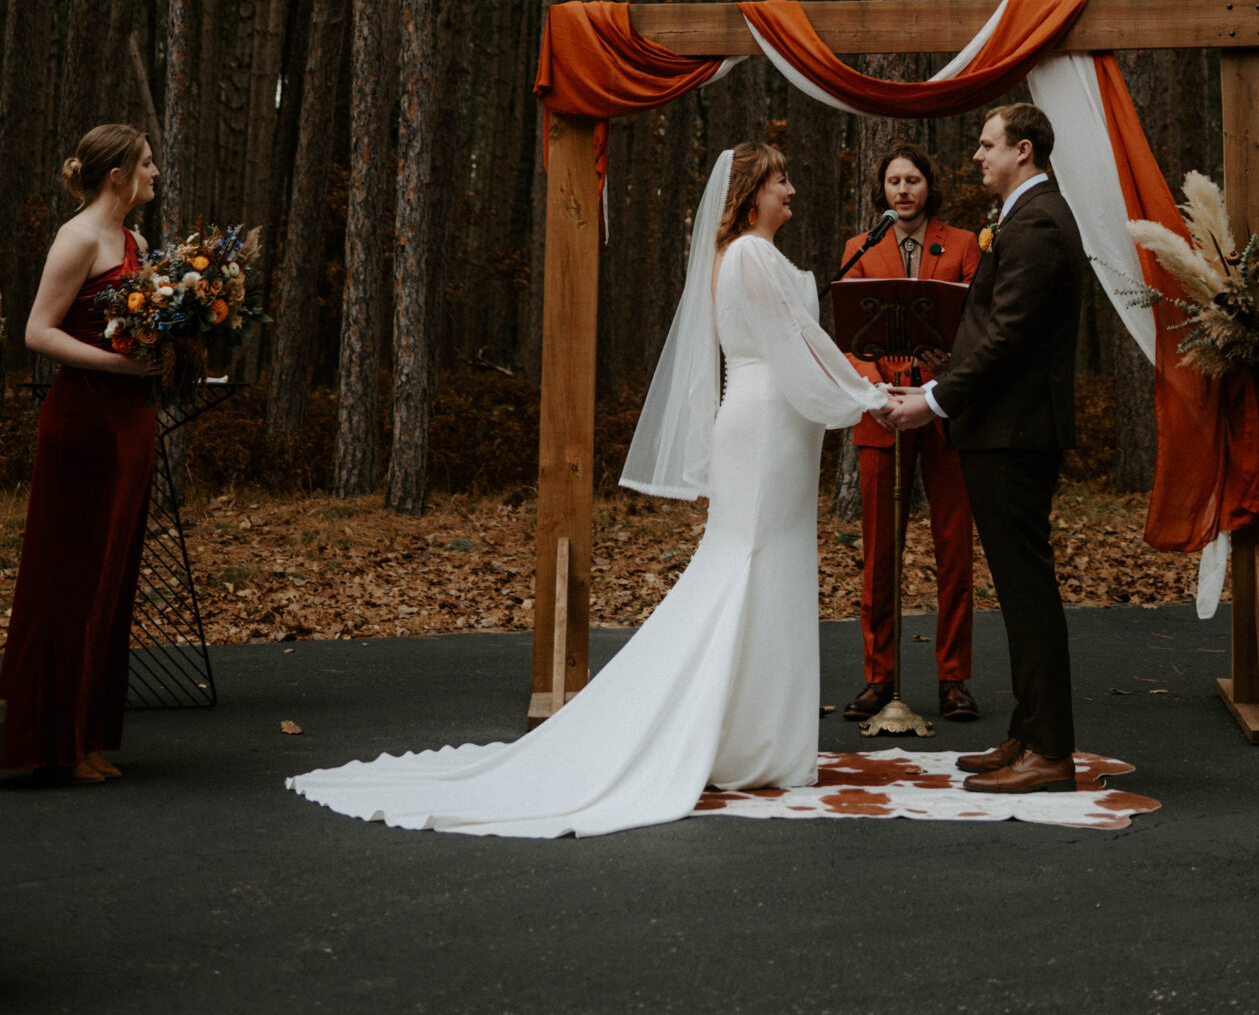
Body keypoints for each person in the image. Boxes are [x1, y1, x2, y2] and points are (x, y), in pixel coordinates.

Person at [289, 142, 887, 839]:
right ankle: (732, 735)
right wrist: (866, 397)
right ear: (751, 193)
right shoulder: (750, 256)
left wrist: (857, 390)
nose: (792, 189)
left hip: (774, 426)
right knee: (746, 568)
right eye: (781, 179)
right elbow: (793, 347)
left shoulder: (750, 256)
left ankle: (751, 734)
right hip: (763, 426)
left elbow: (800, 336)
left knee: (764, 571)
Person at [883, 100, 1084, 796]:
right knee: (1019, 590)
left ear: (1023, 150)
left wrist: (934, 399)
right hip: (1000, 429)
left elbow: (1007, 336)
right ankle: (1030, 732)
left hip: (1014, 433)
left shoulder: (1037, 224)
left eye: (986, 144)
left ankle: (1051, 751)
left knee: (1028, 594)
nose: (976, 156)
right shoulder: (1023, 218)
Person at [1, 124, 159, 783]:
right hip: (83, 422)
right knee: (68, 578)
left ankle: (87, 736)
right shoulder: (77, 238)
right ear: (116, 175)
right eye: (146, 163)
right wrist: (119, 368)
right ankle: (47, 743)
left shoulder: (136, 242)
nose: (155, 172)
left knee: (109, 581)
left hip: (128, 425)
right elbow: (38, 331)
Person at [836, 140, 982, 724]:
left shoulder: (964, 245)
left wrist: (934, 392)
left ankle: (954, 679)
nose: (903, 190)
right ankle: (880, 677)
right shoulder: (859, 249)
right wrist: (879, 395)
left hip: (946, 412)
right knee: (879, 551)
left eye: (913, 180)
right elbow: (848, 337)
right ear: (882, 190)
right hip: (881, 411)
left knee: (954, 548)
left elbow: (977, 328)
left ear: (929, 186)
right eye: (894, 181)